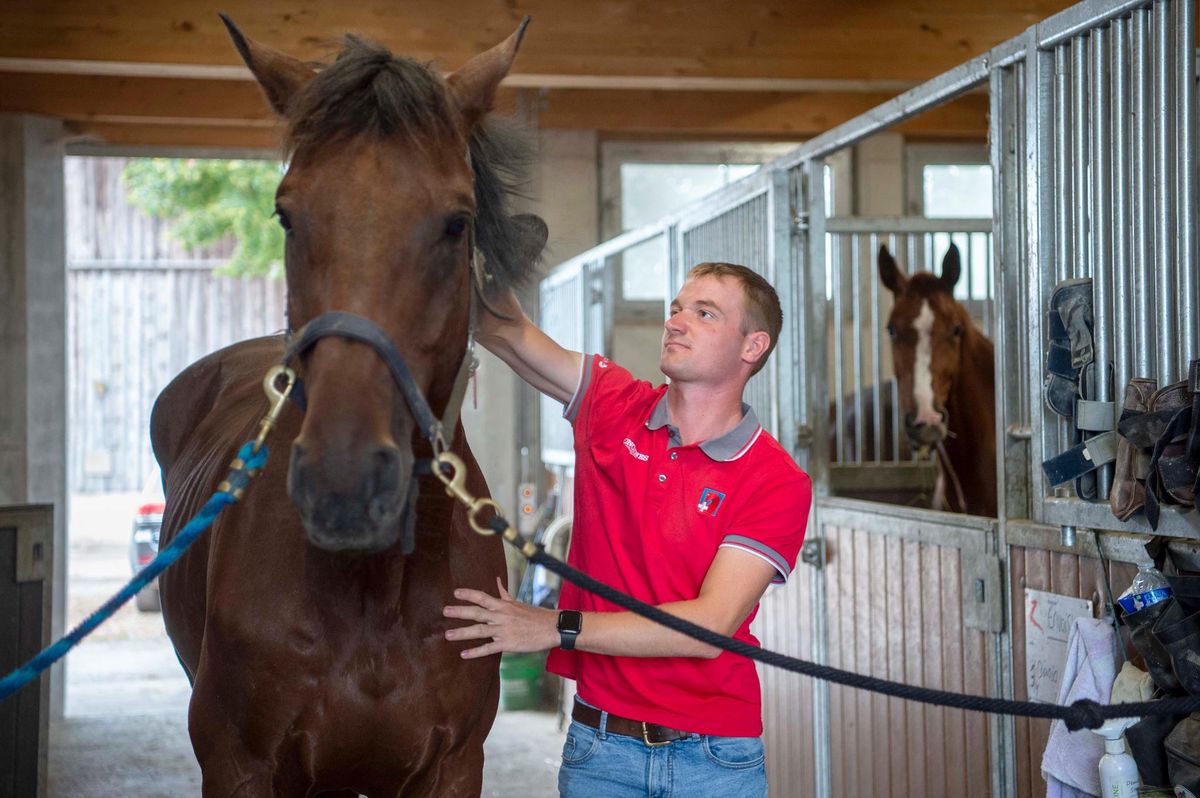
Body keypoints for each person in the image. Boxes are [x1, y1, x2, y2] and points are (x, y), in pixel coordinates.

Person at [443, 261, 812, 797]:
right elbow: (508, 330)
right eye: (676, 309)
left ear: (752, 347)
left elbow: (710, 626)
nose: (677, 322)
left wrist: (556, 627)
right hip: (601, 749)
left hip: (715, 759)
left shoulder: (774, 478)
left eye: (704, 313)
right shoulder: (615, 406)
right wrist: (473, 246)